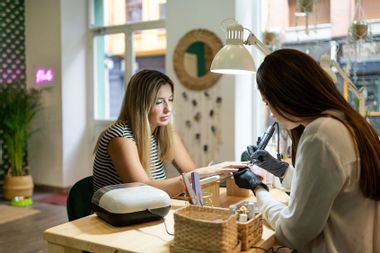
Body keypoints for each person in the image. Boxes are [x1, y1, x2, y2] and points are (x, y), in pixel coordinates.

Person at [233, 49, 380, 253]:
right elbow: (325, 189)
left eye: (268, 103)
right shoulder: (349, 124)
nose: (272, 113)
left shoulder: (321, 134)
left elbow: (292, 232)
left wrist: (258, 189)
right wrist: (281, 170)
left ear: (287, 95)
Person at [93, 69, 247, 197]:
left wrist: (224, 174)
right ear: (141, 105)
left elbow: (192, 174)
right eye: (159, 102)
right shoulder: (120, 138)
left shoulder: (165, 132)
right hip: (116, 220)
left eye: (170, 99)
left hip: (149, 211)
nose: (168, 108)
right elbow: (143, 191)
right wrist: (205, 172)